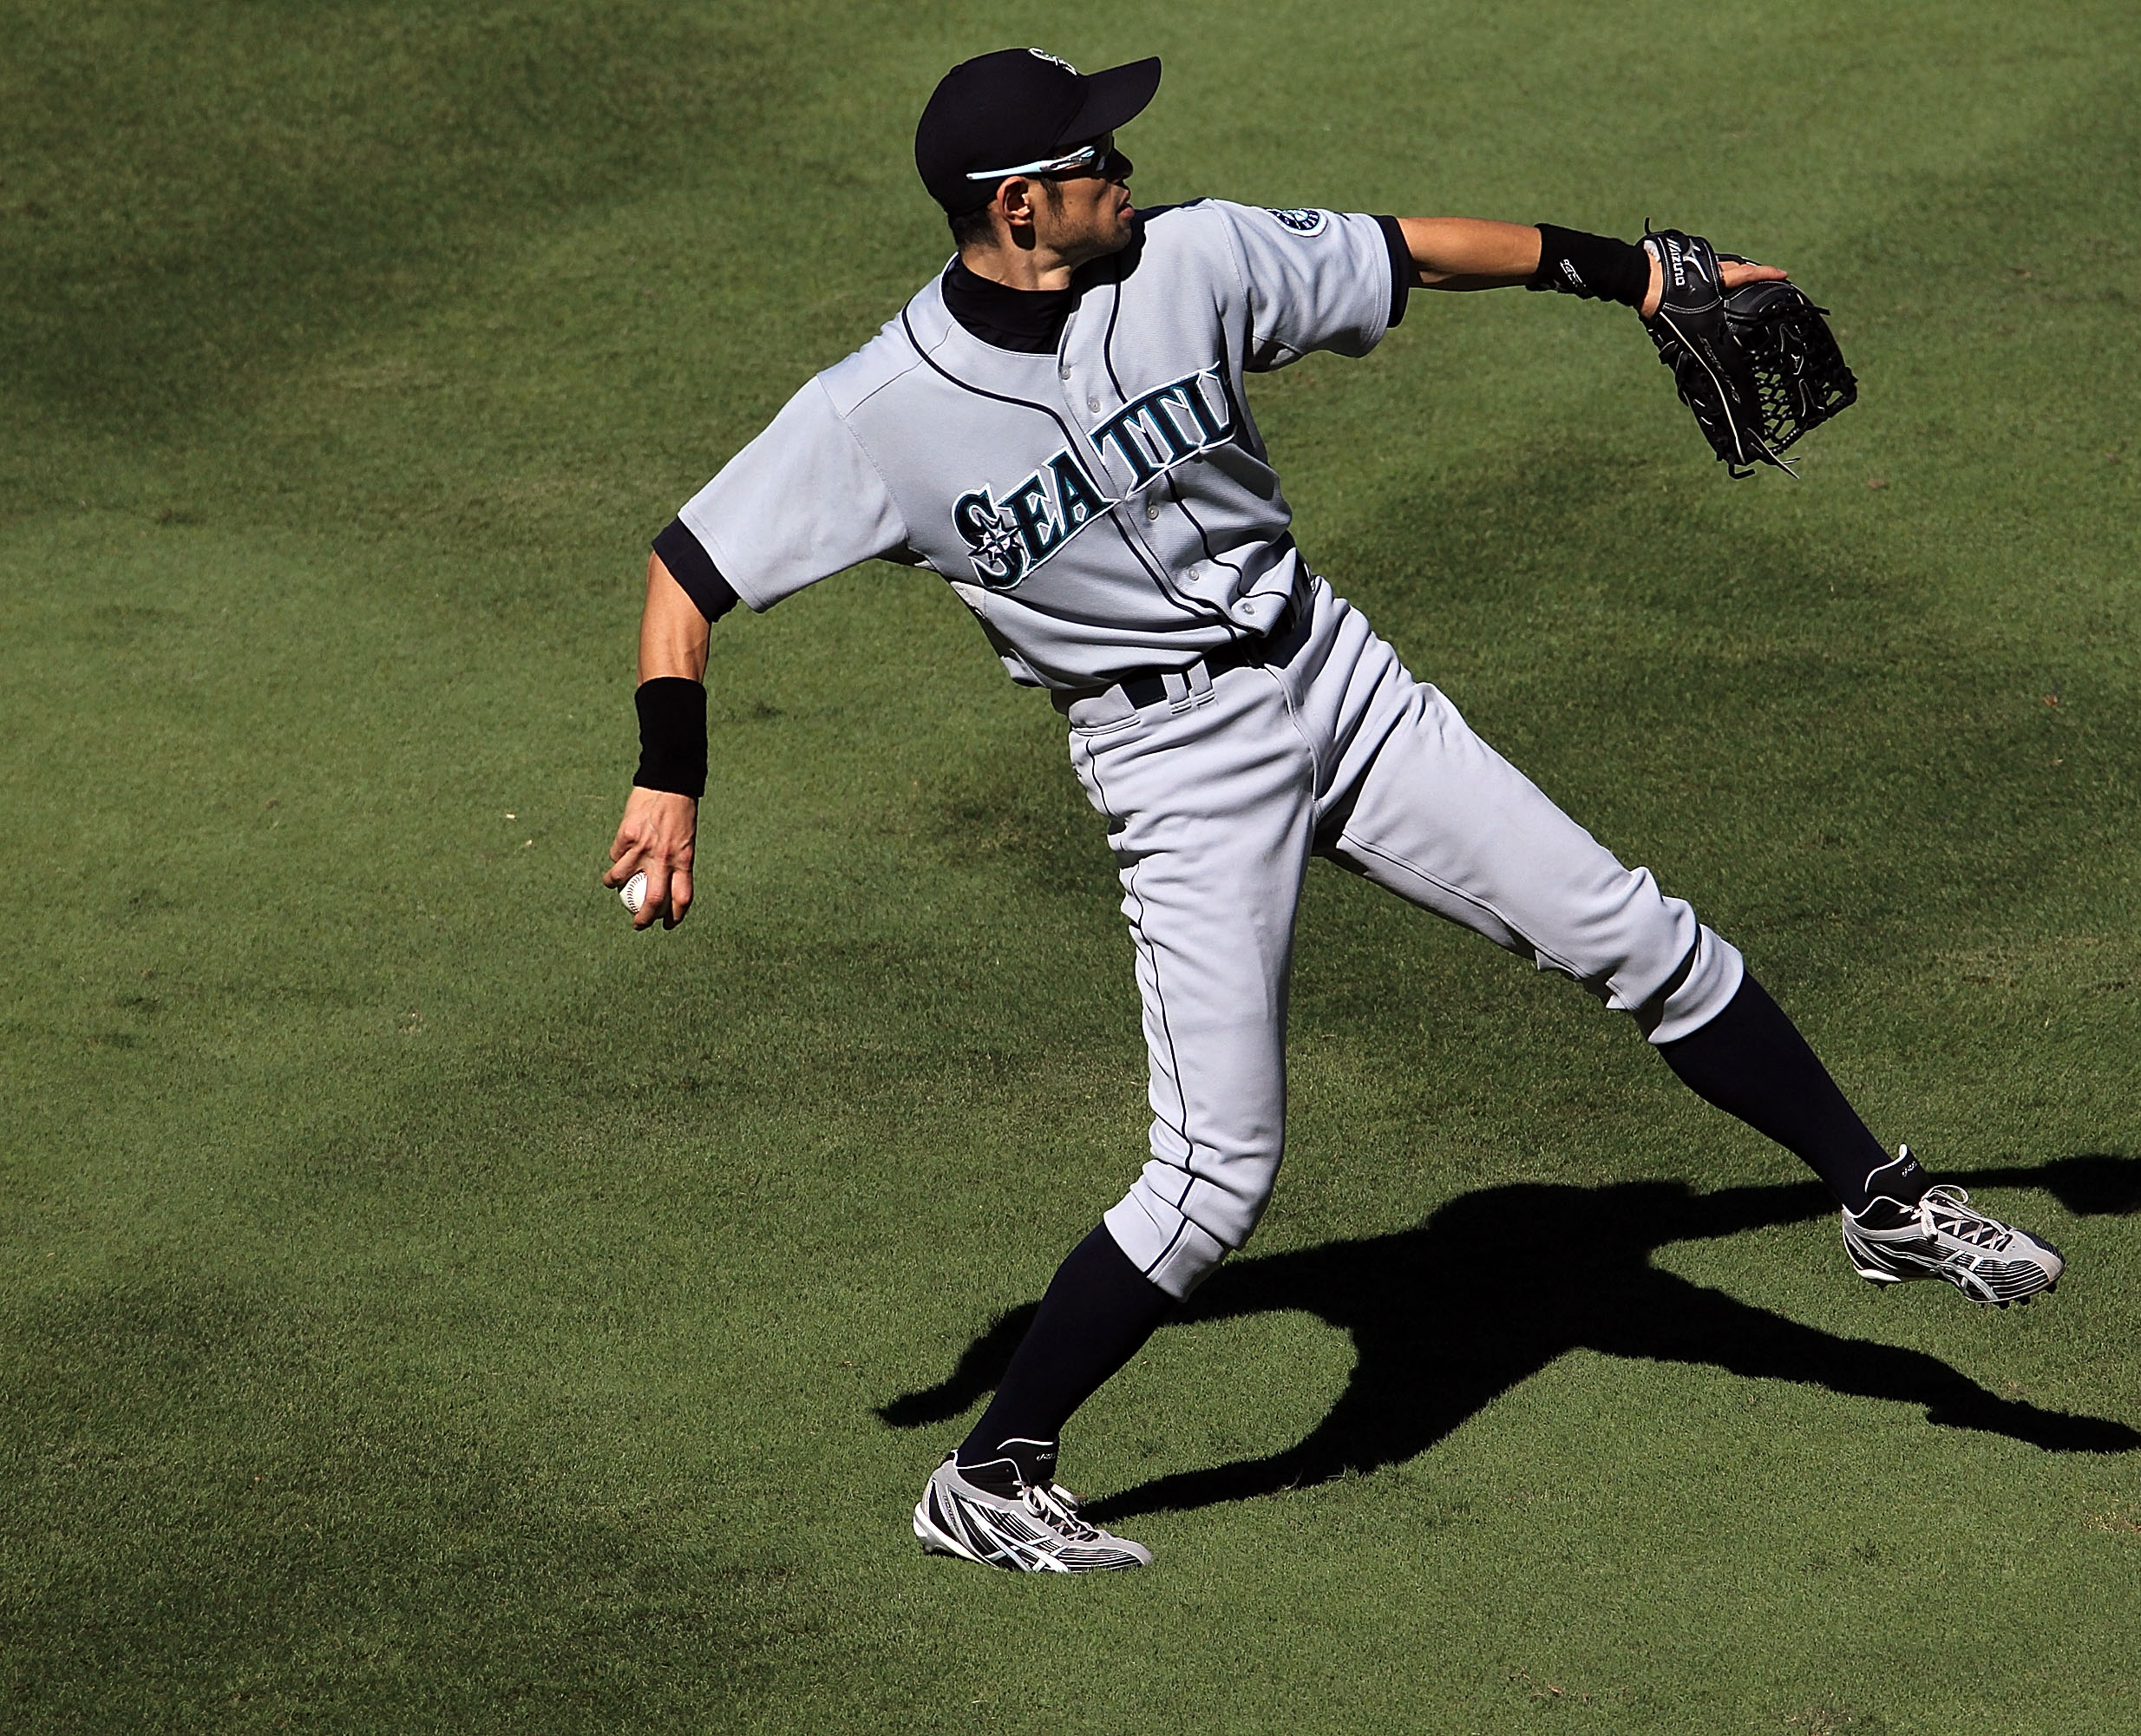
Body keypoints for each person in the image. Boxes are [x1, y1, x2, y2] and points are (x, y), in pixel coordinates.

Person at [601, 48, 2066, 1574]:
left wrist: (1633, 274)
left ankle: (1882, 1199)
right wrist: (671, 772)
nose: (1126, 165)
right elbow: (685, 575)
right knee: (1214, 1173)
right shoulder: (874, 413)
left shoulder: (1193, 257)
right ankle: (988, 1471)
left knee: (1632, 931)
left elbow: (1407, 248)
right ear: (1019, 205)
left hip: (1331, 668)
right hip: (1173, 765)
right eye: (1095, 156)